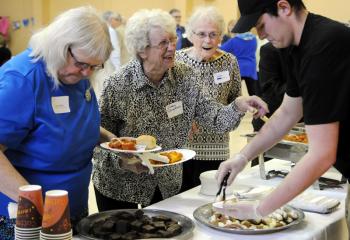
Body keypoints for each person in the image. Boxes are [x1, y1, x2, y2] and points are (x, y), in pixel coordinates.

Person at [92, 9, 268, 212]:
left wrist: (237, 105)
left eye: (173, 40)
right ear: (142, 50)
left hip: (165, 183)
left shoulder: (185, 76)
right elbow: (98, 141)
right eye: (163, 44)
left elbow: (214, 118)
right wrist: (123, 162)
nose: (171, 48)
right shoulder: (118, 84)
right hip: (119, 187)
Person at [216, 0, 350, 225]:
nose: (260, 36)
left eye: (261, 25)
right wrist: (243, 156)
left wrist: (260, 209)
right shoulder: (297, 46)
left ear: (284, 8)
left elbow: (322, 154)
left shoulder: (324, 45)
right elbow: (288, 112)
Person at [0, 6, 114, 238]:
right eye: (82, 64)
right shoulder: (22, 80)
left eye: (94, 66)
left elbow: (69, 124)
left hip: (73, 206)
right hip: (29, 216)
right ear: (60, 45)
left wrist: (112, 141)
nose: (86, 73)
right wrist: (37, 204)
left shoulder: (75, 72)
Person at [175, 6, 241, 191]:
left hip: (217, 149)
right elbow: (166, 101)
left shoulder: (230, 62)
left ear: (221, 36)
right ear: (190, 35)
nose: (208, 40)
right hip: (183, 150)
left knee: (211, 202)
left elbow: (235, 100)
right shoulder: (176, 61)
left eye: (213, 34)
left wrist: (237, 113)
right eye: (202, 34)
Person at [221, 29, 258, 96]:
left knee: (235, 93)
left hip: (238, 68)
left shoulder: (235, 40)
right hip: (251, 68)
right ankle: (256, 105)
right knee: (253, 92)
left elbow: (222, 49)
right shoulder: (254, 39)